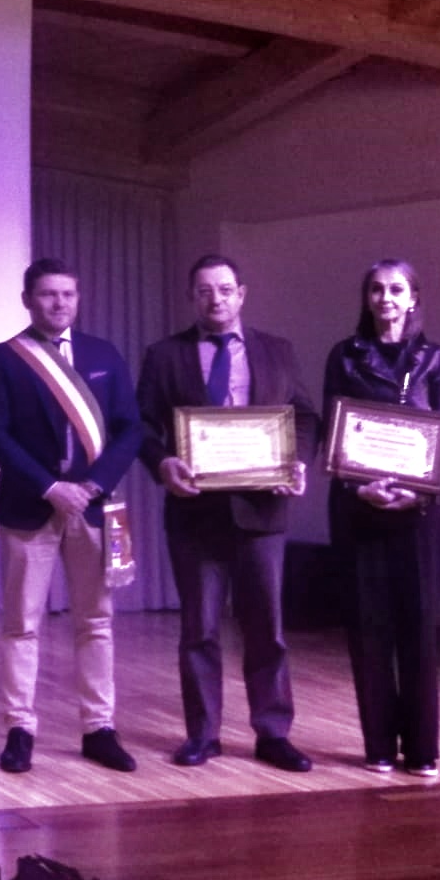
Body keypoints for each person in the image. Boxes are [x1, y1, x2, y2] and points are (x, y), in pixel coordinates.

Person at [136, 254, 319, 773]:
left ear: (241, 294)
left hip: (263, 513)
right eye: (204, 291)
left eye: (223, 289)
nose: (214, 299)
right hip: (195, 516)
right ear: (192, 298)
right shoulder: (164, 355)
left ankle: (274, 732)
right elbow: (141, 426)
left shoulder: (277, 351)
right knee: (199, 632)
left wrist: (298, 462)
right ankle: (203, 734)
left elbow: (305, 416)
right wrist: (162, 463)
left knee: (267, 630)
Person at [0, 258, 143, 775]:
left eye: (68, 294)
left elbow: (131, 428)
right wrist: (50, 487)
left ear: (78, 298)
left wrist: (92, 484)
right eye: (48, 294)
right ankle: (19, 728)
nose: (59, 303)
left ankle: (99, 728)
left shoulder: (103, 354)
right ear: (27, 300)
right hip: (31, 506)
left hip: (93, 507)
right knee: (20, 624)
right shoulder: (5, 358)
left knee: (96, 622)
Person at [323, 259, 440, 778]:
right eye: (376, 290)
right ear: (367, 298)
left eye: (396, 289)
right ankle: (378, 745)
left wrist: (415, 495)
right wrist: (360, 487)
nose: (386, 298)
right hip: (359, 510)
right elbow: (334, 433)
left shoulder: (437, 359)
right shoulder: (344, 355)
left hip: (418, 514)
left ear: (413, 298)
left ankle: (423, 750)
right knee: (368, 628)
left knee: (418, 629)